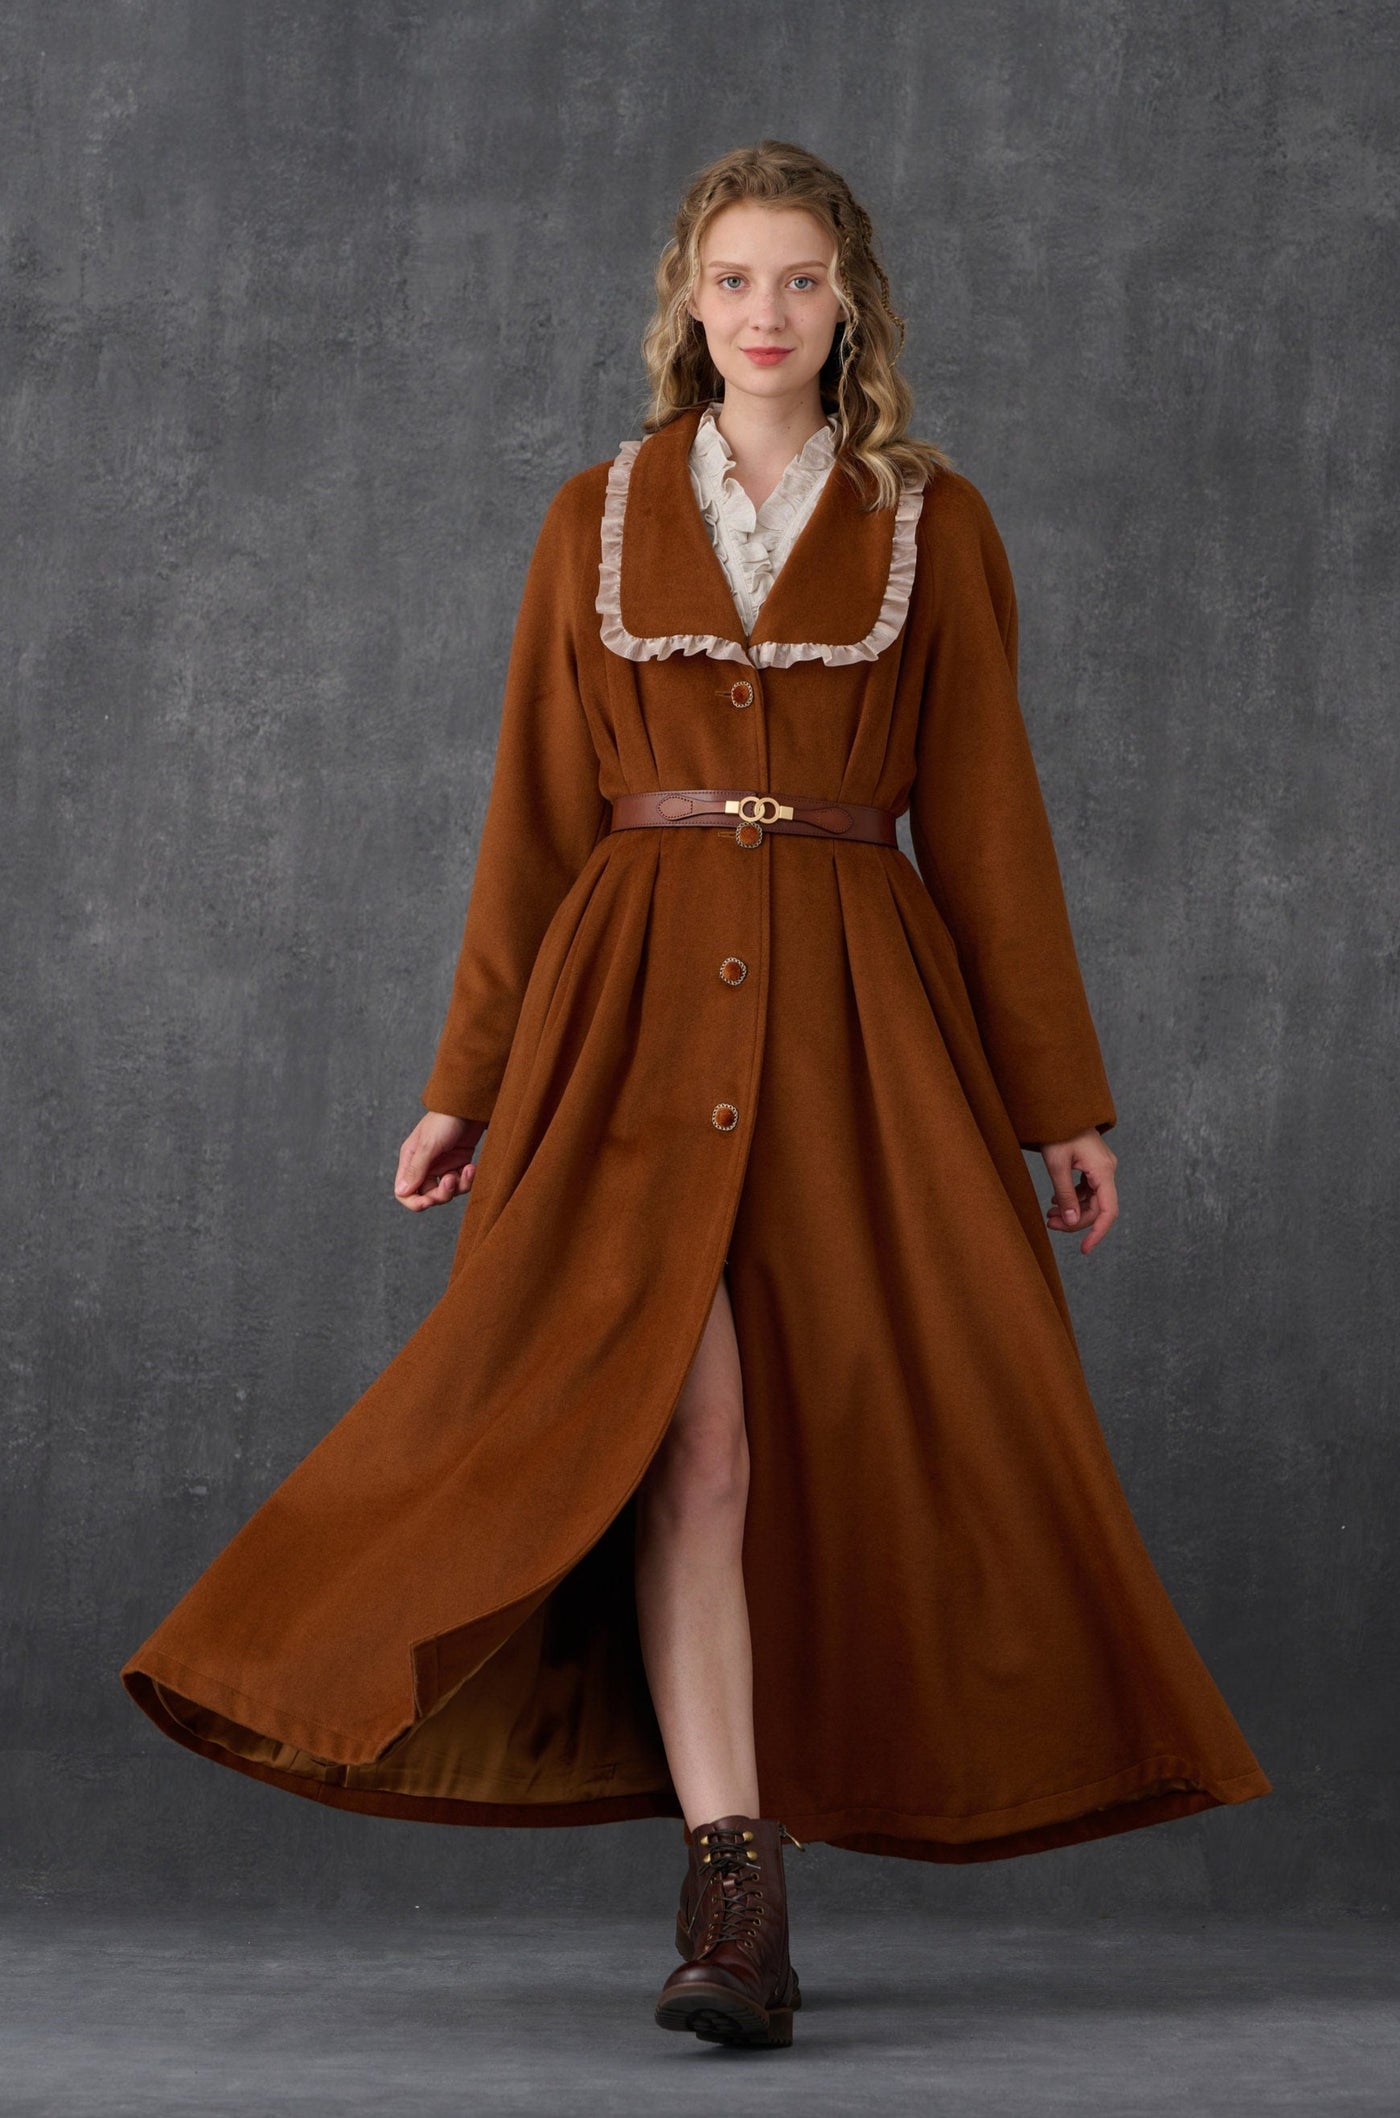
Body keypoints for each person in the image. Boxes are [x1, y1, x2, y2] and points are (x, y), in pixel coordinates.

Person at [121, 140, 1270, 2054]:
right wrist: (469, 1080)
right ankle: (734, 1884)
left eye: (801, 279)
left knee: (872, 1430)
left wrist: (1059, 1103)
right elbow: (532, 818)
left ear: (850, 306)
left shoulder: (930, 524)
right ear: (686, 303)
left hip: (857, 1025)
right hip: (628, 1021)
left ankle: (769, 1858)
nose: (764, 312)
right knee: (692, 1445)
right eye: (732, 279)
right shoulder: (593, 516)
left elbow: (990, 825)